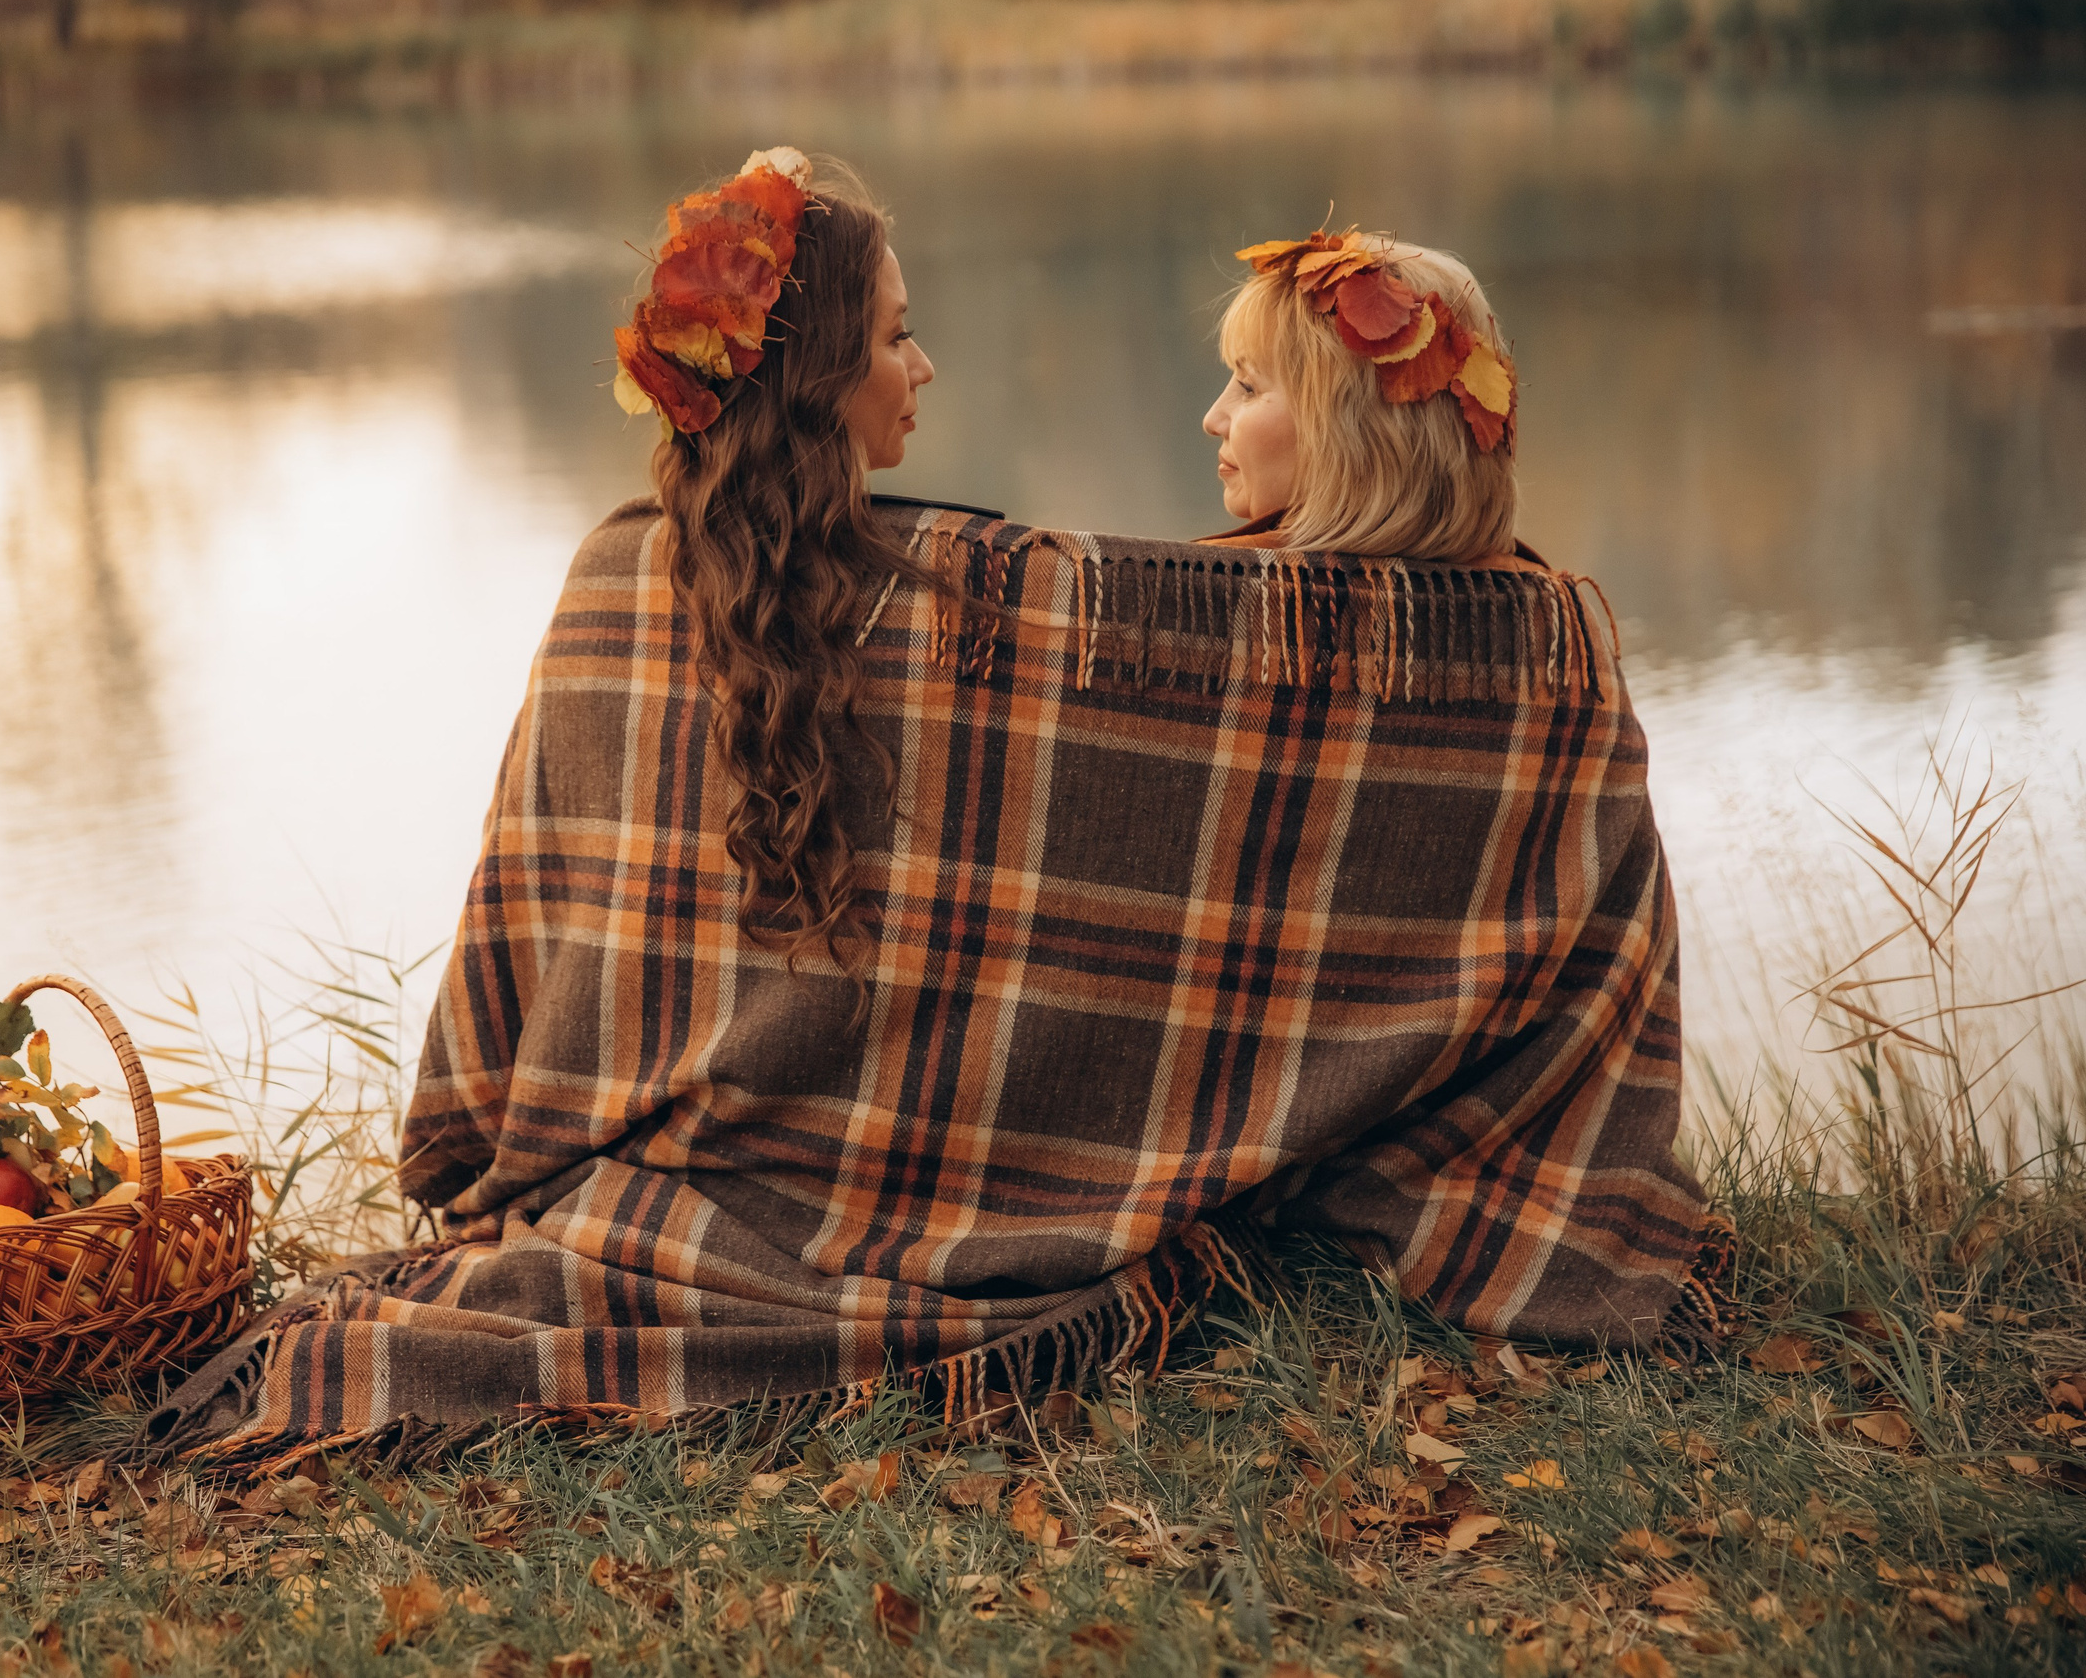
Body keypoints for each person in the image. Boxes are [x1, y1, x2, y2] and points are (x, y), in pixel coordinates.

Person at [153, 177, 1716, 1466]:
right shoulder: (1533, 646)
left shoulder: (640, 581)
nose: (1212, 417)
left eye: (1251, 385)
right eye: (897, 336)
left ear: (1357, 430)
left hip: (728, 1168)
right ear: (826, 370)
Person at [1201, 230, 1520, 563]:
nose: (1212, 419)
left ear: (1358, 437)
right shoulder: (1551, 605)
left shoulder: (1187, 594)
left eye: (1249, 387)